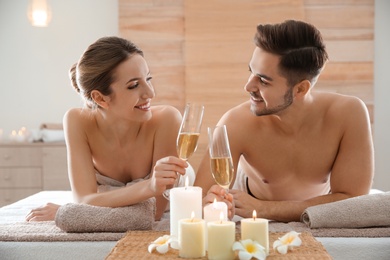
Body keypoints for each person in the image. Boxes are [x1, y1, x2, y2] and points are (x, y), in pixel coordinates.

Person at [194, 20, 374, 222]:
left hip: (289, 214)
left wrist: (266, 209)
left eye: (263, 81)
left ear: (300, 89)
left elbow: (352, 202)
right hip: (254, 213)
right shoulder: (235, 123)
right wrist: (212, 206)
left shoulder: (348, 114)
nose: (248, 86)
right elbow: (198, 200)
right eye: (250, 72)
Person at [26, 36, 187, 222]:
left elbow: (155, 213)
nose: (151, 93)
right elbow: (83, 199)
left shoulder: (167, 119)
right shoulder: (77, 121)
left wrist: (71, 212)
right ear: (101, 98)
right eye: (134, 85)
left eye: (148, 79)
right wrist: (148, 187)